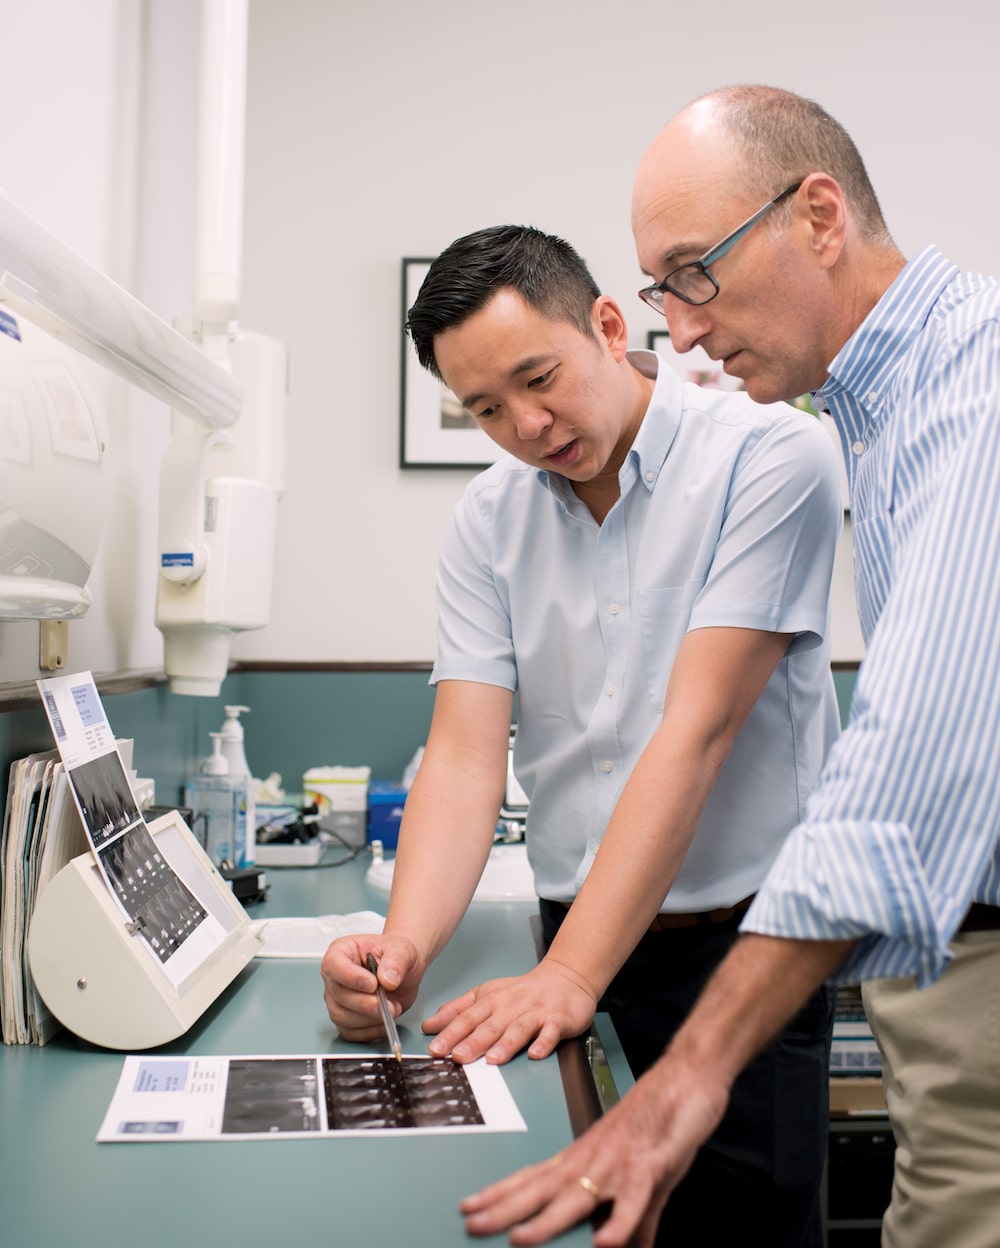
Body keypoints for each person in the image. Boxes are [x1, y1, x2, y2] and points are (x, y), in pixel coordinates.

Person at [459, 86, 1000, 1248]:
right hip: (934, 964)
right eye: (665, 290)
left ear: (817, 218)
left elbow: (913, 759)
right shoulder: (878, 408)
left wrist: (693, 1067)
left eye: (693, 273)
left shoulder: (970, 390)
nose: (685, 328)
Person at [321, 223, 843, 1245]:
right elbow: (467, 756)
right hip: (571, 938)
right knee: (583, 1229)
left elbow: (694, 736)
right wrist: (402, 949)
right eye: (484, 408)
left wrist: (569, 976)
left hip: (739, 955)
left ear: (608, 324)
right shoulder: (487, 520)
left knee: (741, 1229)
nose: (525, 424)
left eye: (537, 377)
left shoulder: (771, 457)